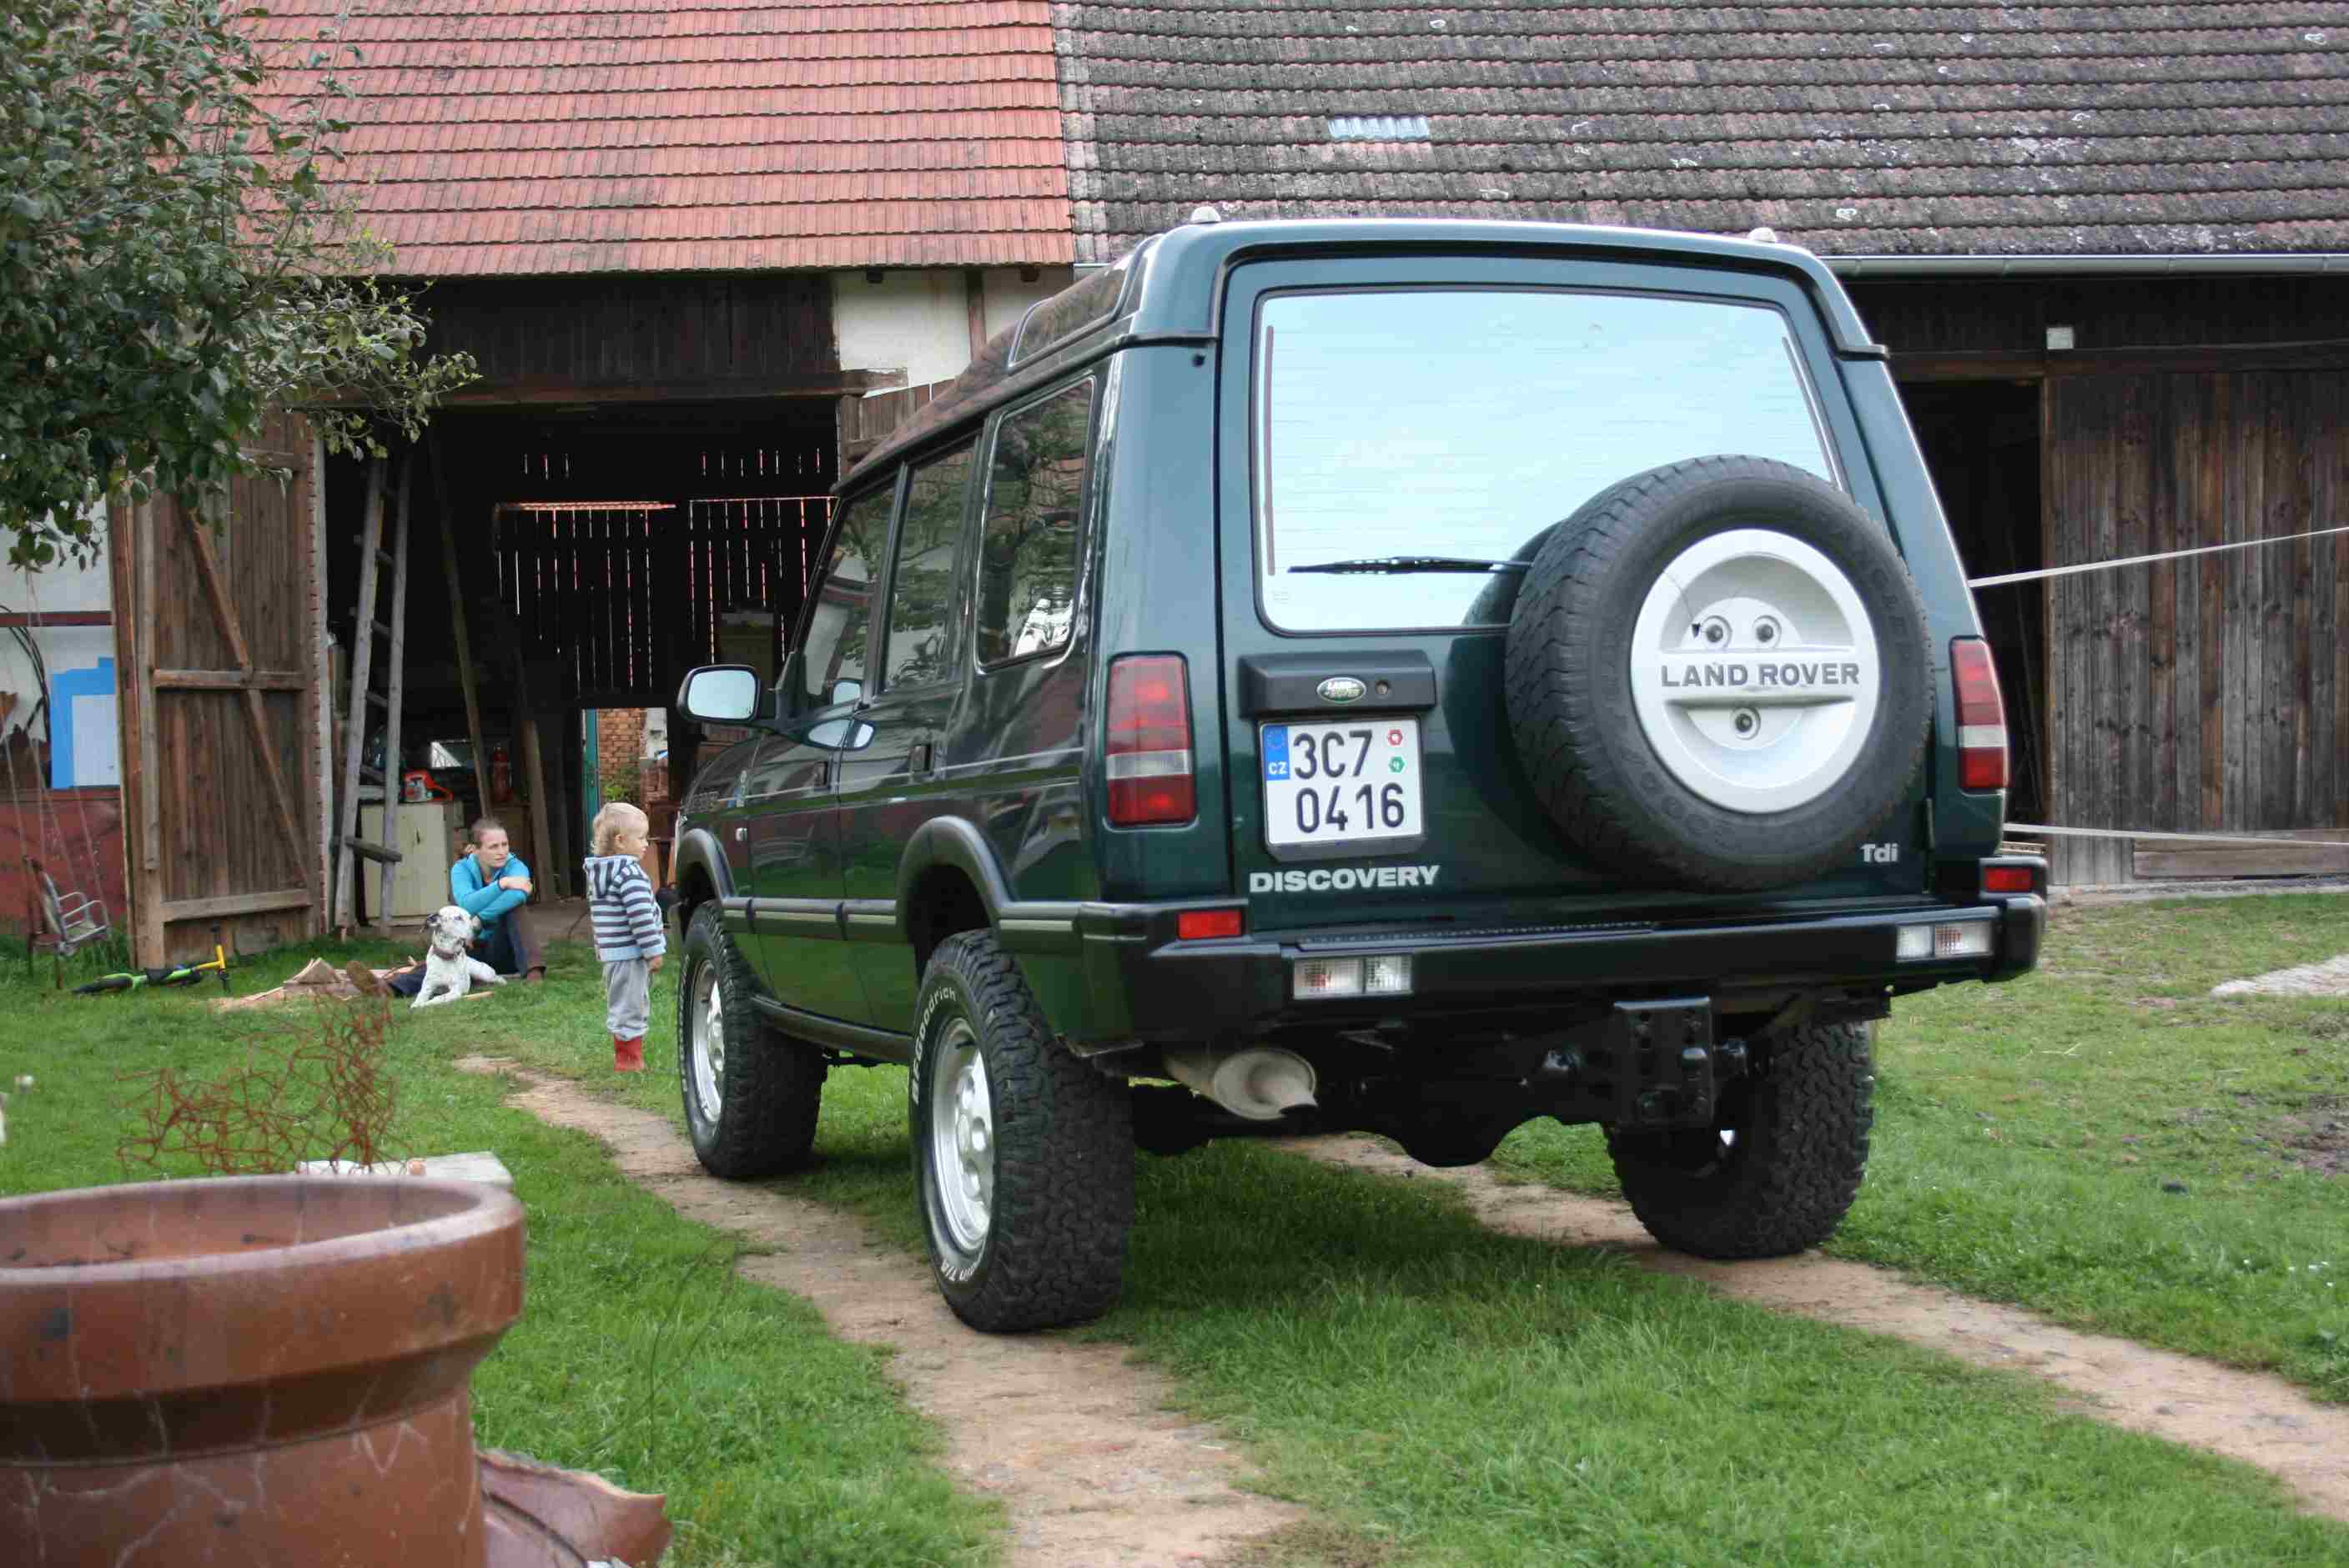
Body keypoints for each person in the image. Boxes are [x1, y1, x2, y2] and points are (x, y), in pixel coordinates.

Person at [585, 801, 666, 1072]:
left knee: (624, 1002)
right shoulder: (629, 874)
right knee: (631, 1005)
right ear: (620, 841)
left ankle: (627, 1057)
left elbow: (600, 917)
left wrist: (602, 948)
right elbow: (640, 917)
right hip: (631, 954)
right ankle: (629, 1060)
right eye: (641, 838)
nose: (646, 844)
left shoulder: (601, 874)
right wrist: (653, 950)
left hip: (615, 954)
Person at [450, 817, 545, 983]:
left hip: (503, 950)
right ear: (475, 849)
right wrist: (502, 884)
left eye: (505, 844)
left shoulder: (515, 866)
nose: (502, 852)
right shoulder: (461, 869)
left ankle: (534, 972)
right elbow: (466, 905)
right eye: (493, 847)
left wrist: (480, 918)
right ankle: (403, 985)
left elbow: (518, 895)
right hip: (471, 948)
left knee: (516, 906)